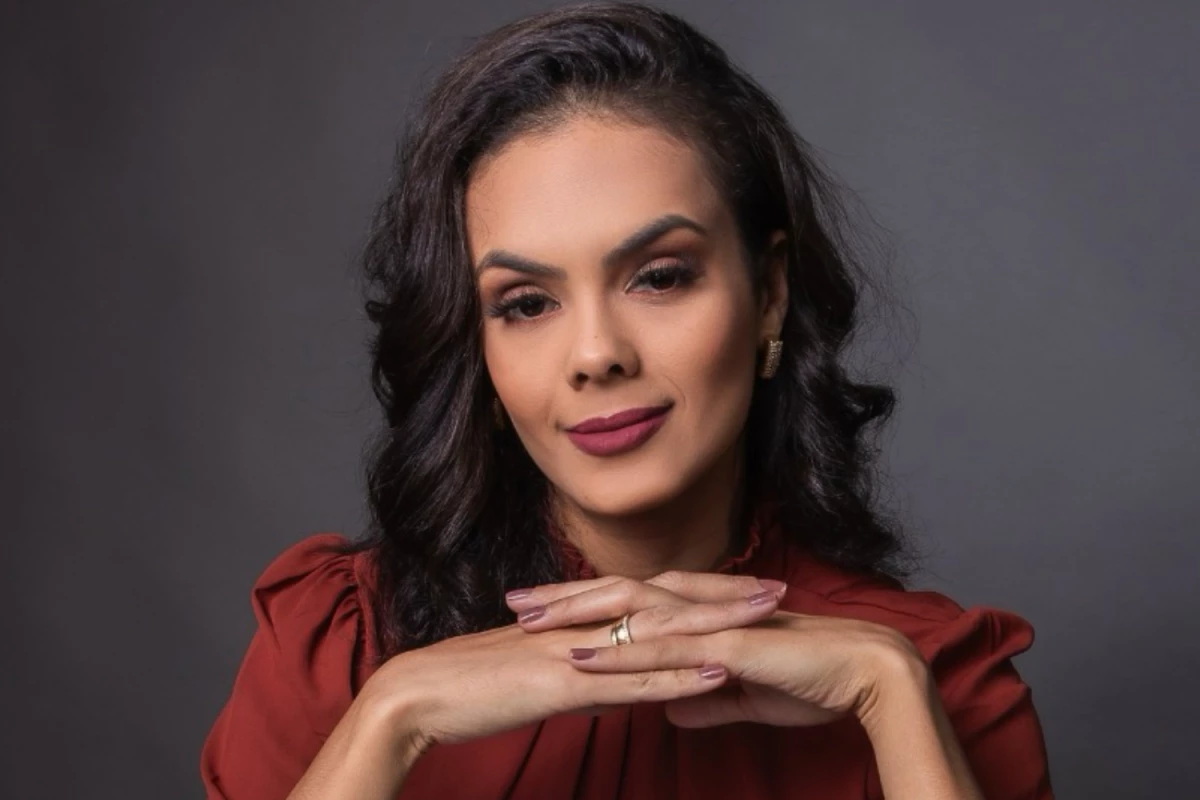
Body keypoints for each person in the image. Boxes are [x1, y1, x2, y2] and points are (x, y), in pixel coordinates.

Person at [200, 3, 1053, 798]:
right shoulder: (344, 651)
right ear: (477, 347)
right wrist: (394, 717)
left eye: (660, 277)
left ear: (769, 294)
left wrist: (888, 692)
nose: (597, 355)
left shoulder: (933, 680)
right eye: (526, 304)